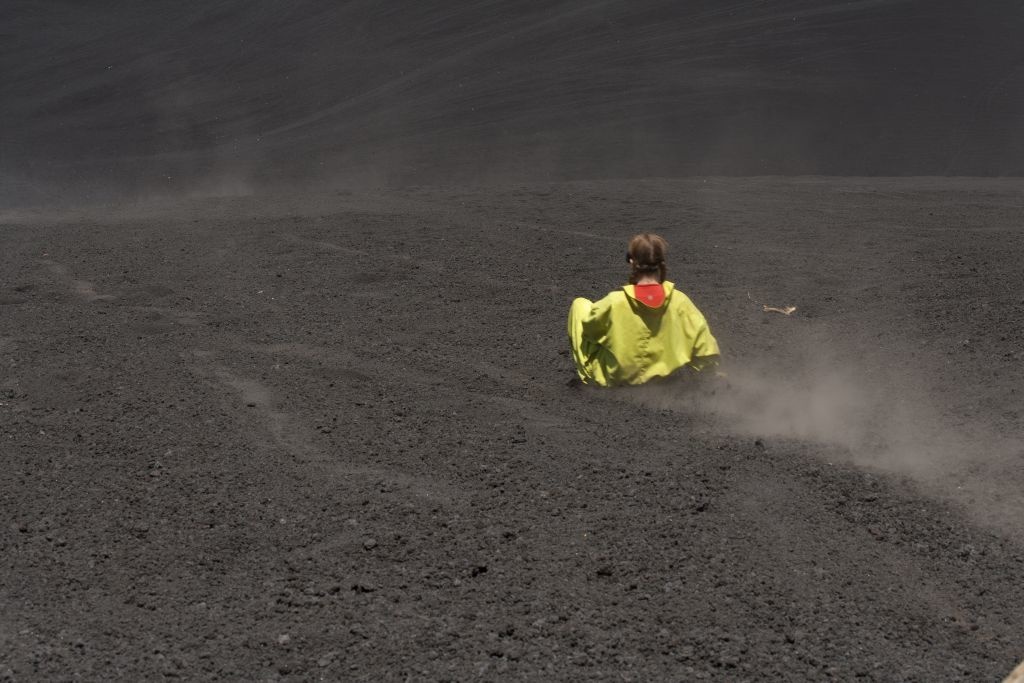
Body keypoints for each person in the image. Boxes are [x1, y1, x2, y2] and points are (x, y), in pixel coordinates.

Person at [567, 233, 720, 386]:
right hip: (664, 380)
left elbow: (590, 331)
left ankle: (591, 380)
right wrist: (708, 376)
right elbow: (705, 348)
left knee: (580, 305)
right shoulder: (680, 301)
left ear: (632, 261)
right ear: (661, 263)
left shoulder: (614, 302)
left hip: (615, 380)